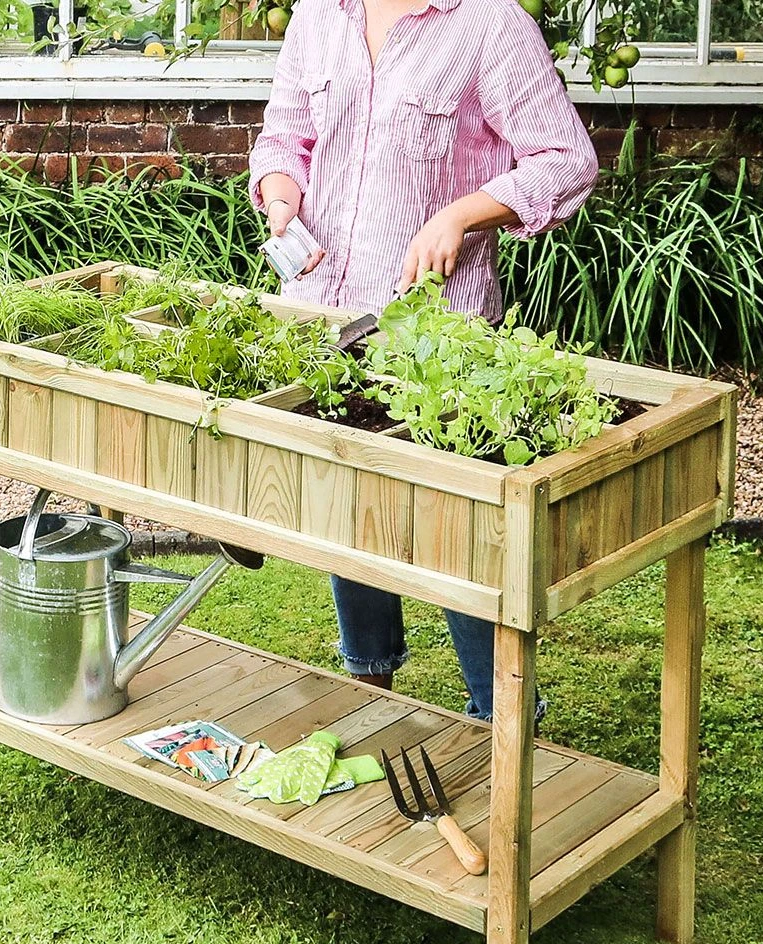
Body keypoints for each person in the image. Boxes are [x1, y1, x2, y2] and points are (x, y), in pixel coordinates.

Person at [247, 0, 599, 722]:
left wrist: (462, 214)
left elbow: (566, 160)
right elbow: (285, 134)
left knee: (456, 531)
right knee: (351, 509)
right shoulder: (320, 14)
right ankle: (368, 690)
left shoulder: (490, 24)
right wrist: (282, 200)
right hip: (327, 318)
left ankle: (501, 713)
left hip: (438, 338)